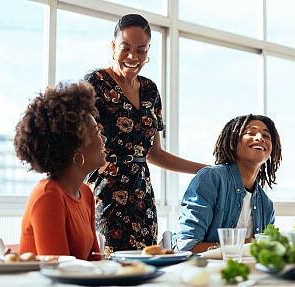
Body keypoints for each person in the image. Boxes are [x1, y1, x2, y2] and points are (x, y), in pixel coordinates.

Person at [84, 14, 206, 251]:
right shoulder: (94, 83)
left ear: (148, 50)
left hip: (143, 195)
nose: (133, 56)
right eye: (125, 48)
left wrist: (205, 170)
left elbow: (155, 154)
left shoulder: (150, 90)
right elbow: (74, 143)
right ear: (113, 46)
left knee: (147, 263)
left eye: (141, 50)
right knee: (110, 266)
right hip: (104, 191)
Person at [14, 81, 107, 260]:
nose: (102, 139)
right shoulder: (48, 196)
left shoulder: (85, 194)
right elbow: (59, 271)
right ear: (76, 147)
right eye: (96, 132)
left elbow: (96, 263)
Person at [172, 114, 282, 253]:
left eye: (266, 136)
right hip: (204, 272)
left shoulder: (267, 206)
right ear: (233, 141)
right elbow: (187, 247)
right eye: (250, 133)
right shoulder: (211, 178)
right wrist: (246, 244)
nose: (260, 138)